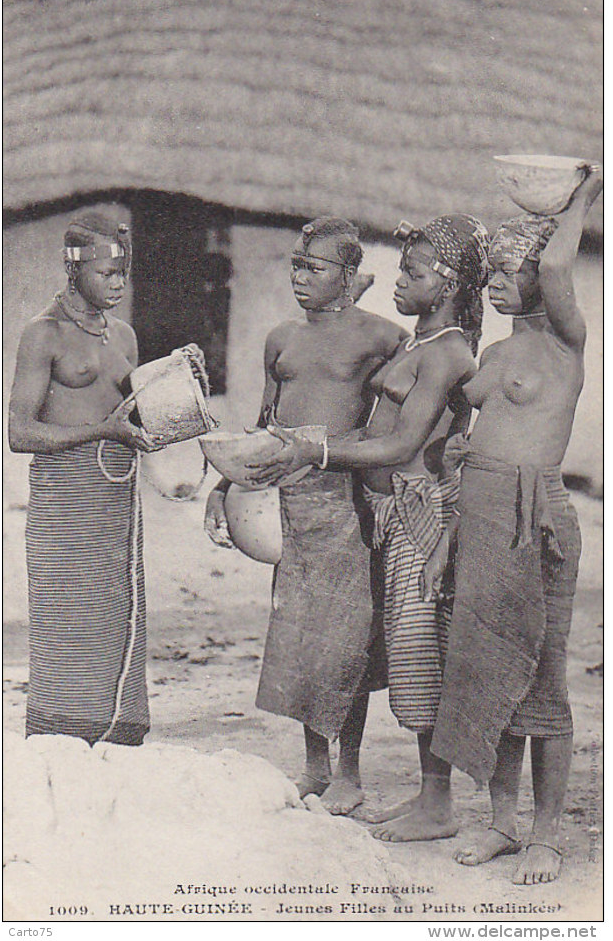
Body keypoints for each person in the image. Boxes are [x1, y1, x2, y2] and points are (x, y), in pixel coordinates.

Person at [247, 214, 489, 841]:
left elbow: (402, 443)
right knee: (394, 650)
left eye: (413, 273)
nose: (399, 283)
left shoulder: (444, 352)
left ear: (449, 282)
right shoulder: (417, 343)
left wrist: (317, 452)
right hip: (376, 510)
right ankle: (422, 798)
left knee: (418, 657)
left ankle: (436, 804)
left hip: (413, 510)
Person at [426, 168, 603, 884]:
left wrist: (584, 191)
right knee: (484, 672)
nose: (497, 282)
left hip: (540, 522)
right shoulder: (494, 354)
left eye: (511, 271)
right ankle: (501, 819)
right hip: (480, 516)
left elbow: (561, 260)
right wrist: (446, 537)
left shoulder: (566, 344)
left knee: (542, 681)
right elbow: (457, 438)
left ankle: (547, 832)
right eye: (492, 270)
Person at [205, 217, 406, 814]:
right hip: (289, 502)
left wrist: (390, 484)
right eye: (296, 264)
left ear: (348, 277)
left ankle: (350, 772)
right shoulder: (281, 339)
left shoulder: (382, 338)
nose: (300, 276)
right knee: (301, 638)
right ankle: (315, 767)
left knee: (348, 641)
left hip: (348, 501)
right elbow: (266, 425)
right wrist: (224, 485)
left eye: (315, 267)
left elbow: (406, 415)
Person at [8, 212, 159, 746]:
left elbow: (132, 419)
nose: (118, 283)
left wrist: (174, 404)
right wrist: (103, 431)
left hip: (114, 499)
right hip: (65, 502)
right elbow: (19, 433)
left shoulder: (123, 335)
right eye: (106, 273)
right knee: (67, 621)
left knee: (115, 616)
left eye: (124, 273)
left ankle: (117, 734)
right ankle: (61, 740)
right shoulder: (42, 334)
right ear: (73, 270)